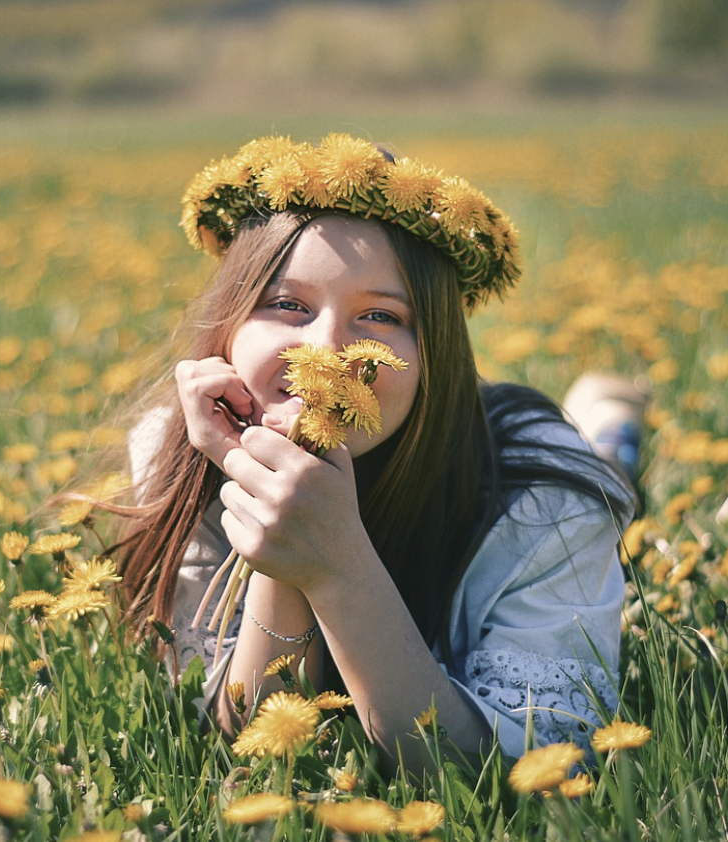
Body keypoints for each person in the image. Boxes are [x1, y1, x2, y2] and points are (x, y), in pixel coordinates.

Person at [108, 134, 639, 776]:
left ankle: (608, 429)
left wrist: (337, 565)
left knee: (604, 470)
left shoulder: (549, 501)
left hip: (519, 457)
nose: (328, 350)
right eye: (287, 305)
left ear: (432, 352)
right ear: (230, 321)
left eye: (382, 318)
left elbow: (512, 773)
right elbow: (248, 736)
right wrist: (287, 542)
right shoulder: (179, 446)